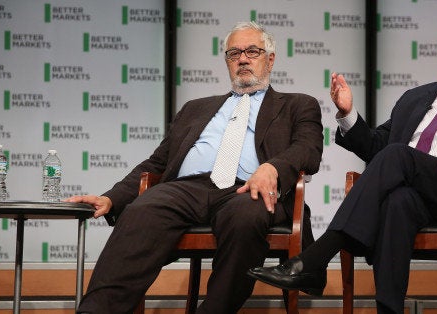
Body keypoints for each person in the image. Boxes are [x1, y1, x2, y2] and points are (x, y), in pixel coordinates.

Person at [248, 5, 437, 314]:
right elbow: (378, 147)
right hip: (419, 199)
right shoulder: (416, 97)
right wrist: (348, 115)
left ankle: (316, 258)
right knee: (397, 201)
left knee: (399, 155)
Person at [65, 21, 323, 314]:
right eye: (234, 53)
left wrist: (272, 168)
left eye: (252, 51)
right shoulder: (195, 108)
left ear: (270, 59)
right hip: (186, 189)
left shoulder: (297, 105)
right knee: (142, 209)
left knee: (246, 216)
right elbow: (156, 163)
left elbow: (308, 150)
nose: (242, 59)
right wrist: (112, 198)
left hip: (247, 189)